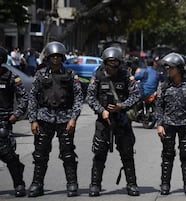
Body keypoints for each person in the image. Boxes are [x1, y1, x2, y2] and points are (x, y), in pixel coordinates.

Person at [27, 41, 83, 197]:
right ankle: (37, 185)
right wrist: (33, 120)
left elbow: (79, 97)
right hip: (44, 118)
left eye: (58, 56)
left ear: (62, 57)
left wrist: (73, 118)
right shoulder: (40, 75)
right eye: (53, 56)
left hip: (65, 118)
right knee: (40, 154)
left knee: (68, 153)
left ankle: (72, 184)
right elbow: (32, 98)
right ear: (48, 58)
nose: (56, 59)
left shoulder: (71, 75)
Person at [86, 47, 141, 197]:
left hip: (122, 119)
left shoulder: (125, 74)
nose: (113, 66)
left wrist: (121, 106)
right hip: (103, 119)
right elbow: (90, 97)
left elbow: (136, 94)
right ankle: (95, 185)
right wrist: (101, 110)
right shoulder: (97, 74)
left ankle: (132, 184)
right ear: (105, 63)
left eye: (115, 62)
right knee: (99, 153)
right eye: (110, 63)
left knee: (127, 153)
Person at [155, 52, 186, 195]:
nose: (168, 70)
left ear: (179, 68)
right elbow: (159, 106)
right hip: (168, 125)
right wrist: (159, 124)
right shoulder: (164, 85)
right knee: (167, 155)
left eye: (171, 68)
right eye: (167, 68)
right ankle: (165, 185)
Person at [0, 46, 28, 197]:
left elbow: (24, 97)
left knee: (8, 154)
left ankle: (19, 183)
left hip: (4, 120)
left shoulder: (11, 77)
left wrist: (16, 114)